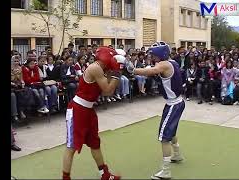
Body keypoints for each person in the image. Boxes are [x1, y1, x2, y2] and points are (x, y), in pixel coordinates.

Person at [62, 47, 125, 180]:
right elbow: (108, 90)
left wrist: (114, 72)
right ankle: (65, 177)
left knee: (94, 142)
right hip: (77, 109)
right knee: (72, 145)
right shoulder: (95, 68)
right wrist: (117, 73)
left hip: (88, 110)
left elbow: (106, 90)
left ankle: (105, 174)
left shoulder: (102, 69)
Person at [126, 41, 185, 180]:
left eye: (153, 54)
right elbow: (152, 69)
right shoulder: (171, 62)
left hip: (174, 104)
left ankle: (166, 171)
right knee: (171, 130)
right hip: (176, 102)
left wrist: (133, 70)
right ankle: (177, 154)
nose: (152, 56)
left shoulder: (163, 64)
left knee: (164, 136)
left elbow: (151, 71)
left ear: (160, 54)